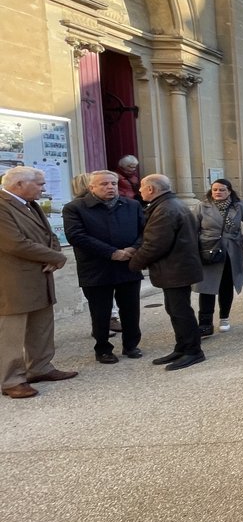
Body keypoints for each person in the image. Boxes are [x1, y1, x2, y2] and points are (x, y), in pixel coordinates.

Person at [0, 166, 75, 398]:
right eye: (40, 184)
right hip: (13, 280)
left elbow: (48, 235)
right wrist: (57, 257)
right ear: (19, 184)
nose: (44, 188)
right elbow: (15, 243)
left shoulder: (29, 204)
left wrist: (53, 252)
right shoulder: (3, 207)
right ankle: (11, 379)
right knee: (12, 332)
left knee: (41, 326)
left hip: (40, 275)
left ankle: (41, 367)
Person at [63, 170, 146, 363]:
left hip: (128, 265)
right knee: (100, 311)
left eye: (113, 183)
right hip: (96, 267)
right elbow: (77, 236)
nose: (110, 187)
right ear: (91, 187)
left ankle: (131, 345)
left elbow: (145, 231)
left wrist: (133, 248)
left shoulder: (132, 205)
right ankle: (103, 348)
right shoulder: (75, 208)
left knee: (131, 308)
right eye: (104, 184)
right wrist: (111, 252)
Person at [129, 174, 206, 371]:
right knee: (175, 310)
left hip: (175, 268)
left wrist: (133, 263)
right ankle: (182, 347)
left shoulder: (166, 209)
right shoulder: (170, 205)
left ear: (151, 189)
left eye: (142, 187)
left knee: (181, 311)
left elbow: (155, 244)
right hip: (176, 267)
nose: (139, 191)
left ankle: (193, 351)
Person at [193, 179, 243, 337]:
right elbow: (192, 228)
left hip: (231, 250)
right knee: (206, 287)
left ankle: (224, 318)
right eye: (215, 190)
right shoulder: (201, 206)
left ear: (229, 191)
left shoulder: (239, 206)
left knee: (226, 284)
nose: (218, 192)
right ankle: (205, 323)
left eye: (222, 190)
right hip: (208, 249)